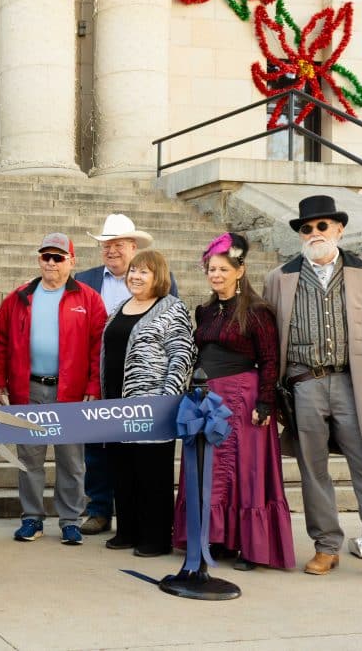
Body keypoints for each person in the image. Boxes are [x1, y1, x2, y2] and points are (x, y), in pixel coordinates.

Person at [263, 195, 362, 585]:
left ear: (339, 229)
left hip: (353, 383)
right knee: (313, 471)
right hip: (303, 383)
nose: (315, 233)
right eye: (307, 228)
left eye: (322, 226)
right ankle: (326, 546)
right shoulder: (279, 277)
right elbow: (269, 339)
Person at [171, 233, 294, 570]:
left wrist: (265, 403)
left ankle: (248, 546)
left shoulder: (256, 311)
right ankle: (217, 538)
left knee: (244, 471)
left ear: (240, 271)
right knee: (209, 468)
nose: (216, 275)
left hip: (243, 397)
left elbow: (270, 359)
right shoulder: (206, 310)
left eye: (223, 269)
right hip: (206, 397)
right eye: (211, 269)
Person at [0, 233, 106, 546]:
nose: (52, 263)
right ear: (39, 260)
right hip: (29, 389)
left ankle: (70, 520)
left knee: (71, 460)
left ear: (72, 261)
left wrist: (94, 385)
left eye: (58, 257)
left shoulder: (88, 299)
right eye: (46, 257)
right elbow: (0, 341)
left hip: (70, 391)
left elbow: (99, 346)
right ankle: (31, 519)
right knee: (29, 459)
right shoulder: (19, 297)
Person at [75, 213, 177, 537]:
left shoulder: (163, 283)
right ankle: (100, 509)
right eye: (107, 245)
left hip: (146, 388)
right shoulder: (85, 279)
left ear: (133, 246)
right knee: (100, 451)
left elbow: (173, 336)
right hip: (104, 381)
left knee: (141, 459)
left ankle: (143, 523)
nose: (112, 251)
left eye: (119, 244)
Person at [101, 249, 195, 557]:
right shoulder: (118, 307)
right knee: (122, 469)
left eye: (144, 272)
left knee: (151, 473)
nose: (135, 277)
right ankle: (127, 530)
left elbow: (182, 356)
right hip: (116, 404)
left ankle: (155, 537)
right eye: (132, 271)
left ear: (158, 277)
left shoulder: (171, 308)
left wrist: (168, 400)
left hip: (152, 406)